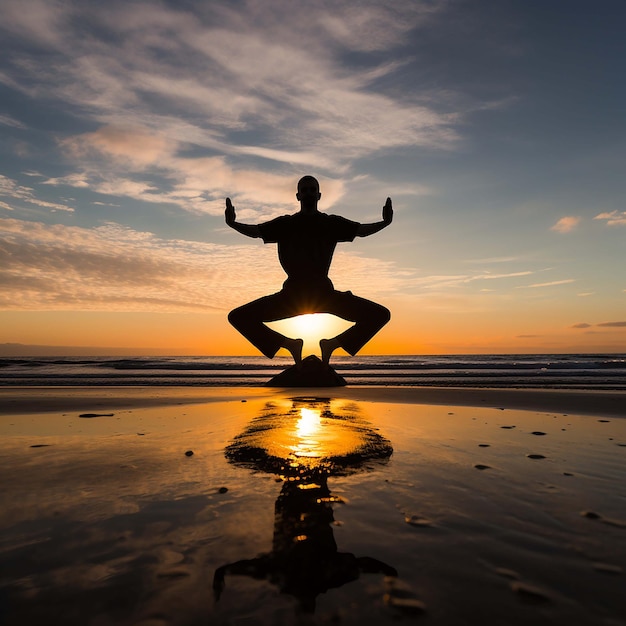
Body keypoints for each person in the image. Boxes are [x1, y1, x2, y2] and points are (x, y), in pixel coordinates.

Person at [226, 175, 392, 365]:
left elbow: (361, 230)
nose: (308, 193)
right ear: (298, 196)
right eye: (304, 190)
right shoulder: (286, 224)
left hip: (324, 294)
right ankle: (290, 344)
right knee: (238, 317)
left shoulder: (330, 223)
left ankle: (331, 344)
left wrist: (384, 223)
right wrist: (233, 224)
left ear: (319, 195)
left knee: (380, 315)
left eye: (312, 189)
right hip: (291, 296)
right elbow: (256, 232)